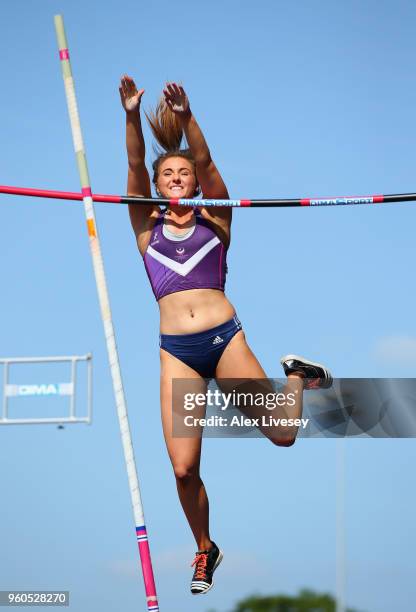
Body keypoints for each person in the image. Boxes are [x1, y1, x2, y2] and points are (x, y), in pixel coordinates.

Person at [119, 75, 332, 595]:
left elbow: (211, 166)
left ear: (192, 183)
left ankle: (298, 377)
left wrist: (188, 118)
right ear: (158, 182)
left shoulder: (216, 220)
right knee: (183, 469)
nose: (174, 176)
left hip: (223, 341)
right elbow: (131, 169)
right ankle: (204, 548)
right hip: (179, 354)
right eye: (165, 172)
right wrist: (131, 116)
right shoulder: (144, 225)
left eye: (182, 172)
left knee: (283, 434)